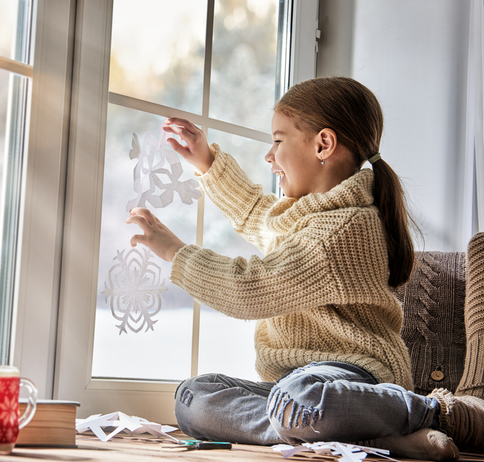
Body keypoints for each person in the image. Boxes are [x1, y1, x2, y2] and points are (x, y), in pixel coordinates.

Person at [126, 77, 484, 461]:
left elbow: (251, 289)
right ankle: (369, 437)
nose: (269, 156)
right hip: (292, 386)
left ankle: (437, 413)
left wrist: (177, 253)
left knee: (300, 400)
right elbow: (256, 214)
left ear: (323, 145)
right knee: (193, 397)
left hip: (353, 378)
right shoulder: (304, 217)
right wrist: (206, 163)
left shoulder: (343, 230)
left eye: (278, 141)